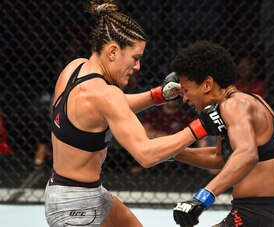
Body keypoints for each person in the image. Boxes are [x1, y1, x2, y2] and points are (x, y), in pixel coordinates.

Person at [44, 1, 224, 226]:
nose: (138, 66)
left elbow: (109, 108)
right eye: (135, 58)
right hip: (76, 208)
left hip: (70, 192)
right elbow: (146, 155)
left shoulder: (75, 68)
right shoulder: (107, 95)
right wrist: (201, 126)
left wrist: (158, 95)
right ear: (112, 51)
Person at [170, 41, 274, 226]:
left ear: (207, 84)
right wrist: (170, 153)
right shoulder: (253, 101)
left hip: (255, 216)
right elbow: (220, 158)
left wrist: (203, 198)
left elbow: (247, 154)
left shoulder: (232, 106)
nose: (184, 98)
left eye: (186, 90)